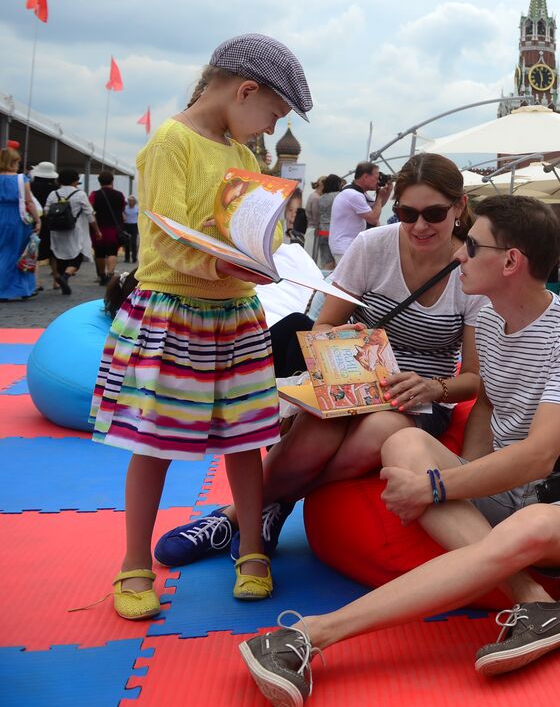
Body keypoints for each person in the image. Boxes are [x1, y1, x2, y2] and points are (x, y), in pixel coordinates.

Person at [238, 195, 560, 701]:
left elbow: (537, 457)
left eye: (473, 244)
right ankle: (534, 601)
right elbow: (485, 400)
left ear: (511, 261)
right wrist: (466, 471)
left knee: (526, 524)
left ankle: (310, 635)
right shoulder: (488, 321)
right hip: (508, 482)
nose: (459, 255)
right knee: (402, 439)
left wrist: (437, 487)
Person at [155, 153, 485, 566]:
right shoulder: (372, 246)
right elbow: (324, 325)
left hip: (418, 396)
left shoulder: (471, 270)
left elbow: (473, 376)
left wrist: (433, 386)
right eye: (406, 212)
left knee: (381, 427)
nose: (419, 226)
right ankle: (265, 508)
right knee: (321, 425)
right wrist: (351, 360)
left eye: (434, 213)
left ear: (459, 207)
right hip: (351, 378)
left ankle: (239, 514)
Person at [90, 33, 313, 621]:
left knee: (246, 438)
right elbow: (166, 233)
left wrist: (264, 256)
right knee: (153, 443)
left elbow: (249, 228)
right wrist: (224, 261)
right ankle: (135, 561)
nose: (267, 130)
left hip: (237, 314)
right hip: (175, 313)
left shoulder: (243, 155)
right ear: (245, 91)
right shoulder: (170, 142)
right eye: (271, 115)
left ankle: (253, 549)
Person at [44, 167, 95, 296]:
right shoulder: (80, 194)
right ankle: (65, 276)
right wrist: (97, 230)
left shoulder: (53, 194)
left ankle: (61, 276)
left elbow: (46, 211)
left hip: (56, 230)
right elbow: (89, 214)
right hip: (74, 230)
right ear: (75, 180)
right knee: (76, 257)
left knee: (59, 254)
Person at [0, 147, 41, 301]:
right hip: (16, 218)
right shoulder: (21, 179)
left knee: (3, 252)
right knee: (19, 253)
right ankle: (21, 288)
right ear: (13, 162)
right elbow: (29, 202)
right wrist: (37, 219)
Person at [329, 162, 391, 261]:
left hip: (347, 246)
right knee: (351, 276)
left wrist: (387, 192)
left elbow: (375, 208)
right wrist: (379, 197)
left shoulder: (354, 189)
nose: (378, 181)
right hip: (345, 247)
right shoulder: (354, 195)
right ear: (366, 177)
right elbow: (373, 219)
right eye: (376, 177)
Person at [90, 171, 128, 285]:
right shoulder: (119, 194)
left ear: (99, 181)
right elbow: (122, 209)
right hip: (114, 228)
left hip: (99, 227)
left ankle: (102, 275)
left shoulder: (94, 194)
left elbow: (90, 210)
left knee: (99, 252)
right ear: (112, 181)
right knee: (112, 251)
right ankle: (110, 274)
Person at [29, 161, 60, 291]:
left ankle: (36, 282)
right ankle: (56, 280)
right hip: (51, 224)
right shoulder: (56, 190)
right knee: (53, 252)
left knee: (34, 251)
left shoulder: (30, 186)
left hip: (34, 221)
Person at [314, 174, 344, 268]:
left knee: (327, 259)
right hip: (335, 231)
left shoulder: (322, 197)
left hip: (323, 231)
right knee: (338, 260)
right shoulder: (339, 196)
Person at [122, 193, 140, 264]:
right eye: (129, 201)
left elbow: (139, 217)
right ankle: (127, 258)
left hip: (134, 225)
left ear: (134, 202)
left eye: (132, 201)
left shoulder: (137, 208)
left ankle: (134, 258)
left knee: (133, 242)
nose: (130, 202)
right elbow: (122, 214)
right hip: (127, 225)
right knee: (127, 242)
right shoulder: (125, 208)